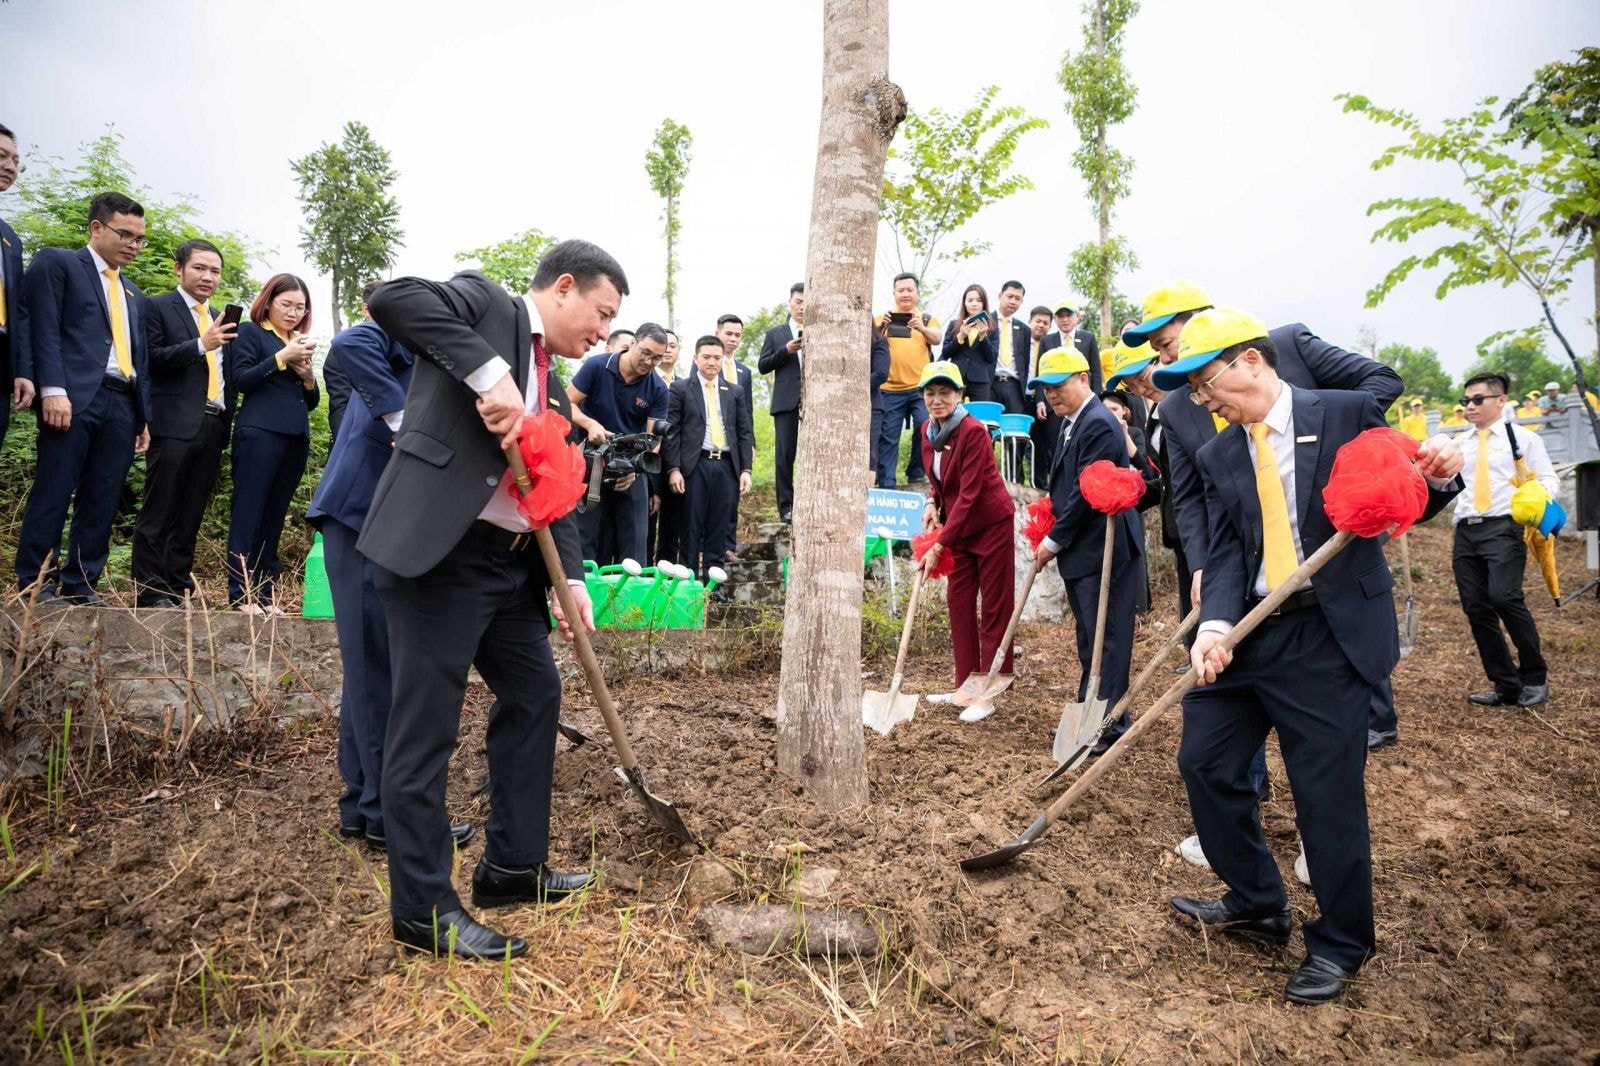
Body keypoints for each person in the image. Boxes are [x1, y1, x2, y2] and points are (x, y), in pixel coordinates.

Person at [1154, 307, 1462, 1006]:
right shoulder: (1220, 453)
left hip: (1326, 634)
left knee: (1326, 797)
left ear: (1251, 363)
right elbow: (1231, 549)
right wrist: (1214, 628)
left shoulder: (1347, 413)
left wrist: (1438, 474)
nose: (1203, 403)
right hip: (1251, 630)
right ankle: (1259, 902)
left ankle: (1342, 943)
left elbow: (1402, 490)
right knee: (1204, 762)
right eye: (1196, 394)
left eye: (1207, 386)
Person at [359, 240, 620, 960]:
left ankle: (512, 866)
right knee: (426, 727)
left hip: (508, 567)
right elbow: (393, 297)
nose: (602, 333)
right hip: (443, 557)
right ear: (563, 288)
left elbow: (552, 487)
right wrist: (488, 373)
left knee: (536, 692)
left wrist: (569, 580)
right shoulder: (486, 307)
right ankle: (422, 909)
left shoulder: (551, 382)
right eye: (600, 314)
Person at [304, 284, 451, 854]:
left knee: (371, 669)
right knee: (374, 670)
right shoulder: (400, 338)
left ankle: (363, 806)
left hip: (390, 522)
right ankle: (387, 816)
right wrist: (400, 421)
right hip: (361, 515)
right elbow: (349, 339)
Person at [14, 191, 152, 604]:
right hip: (73, 397)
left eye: (139, 238)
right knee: (54, 489)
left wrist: (142, 417)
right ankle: (36, 584)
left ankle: (82, 583)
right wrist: (53, 390)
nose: (133, 244)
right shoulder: (58, 263)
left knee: (103, 496)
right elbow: (42, 326)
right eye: (124, 234)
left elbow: (138, 358)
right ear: (96, 227)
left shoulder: (133, 292)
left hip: (122, 402)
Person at [1030, 348, 1143, 751]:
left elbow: (1085, 494)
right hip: (1084, 550)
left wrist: (1054, 537)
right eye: (1045, 389)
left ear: (1083, 378)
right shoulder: (1071, 423)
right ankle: (1094, 710)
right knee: (1090, 635)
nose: (1052, 396)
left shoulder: (1097, 423)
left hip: (1103, 548)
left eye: (1058, 386)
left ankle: (1107, 724)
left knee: (1107, 637)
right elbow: (1065, 486)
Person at [131, 238, 238, 608]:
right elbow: (150, 359)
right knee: (159, 508)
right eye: (200, 268)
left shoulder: (220, 318)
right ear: (179, 269)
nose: (208, 277)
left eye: (215, 271)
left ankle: (177, 588)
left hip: (213, 424)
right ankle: (150, 590)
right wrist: (199, 344)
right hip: (173, 422)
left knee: (191, 512)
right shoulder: (157, 306)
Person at [915, 361, 1015, 722]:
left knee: (994, 606)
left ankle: (987, 692)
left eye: (945, 393)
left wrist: (939, 544)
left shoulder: (972, 431)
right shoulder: (928, 430)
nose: (937, 400)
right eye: (931, 393)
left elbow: (971, 494)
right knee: (958, 601)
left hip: (989, 523)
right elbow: (941, 480)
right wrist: (930, 501)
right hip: (960, 526)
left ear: (960, 396)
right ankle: (964, 685)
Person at [1450, 372, 1557, 709]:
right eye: (1466, 400)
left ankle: (1534, 677)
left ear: (1500, 400)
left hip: (1504, 527)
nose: (1470, 406)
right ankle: (1505, 684)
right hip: (1466, 529)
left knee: (1505, 597)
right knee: (1476, 607)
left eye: (1477, 399)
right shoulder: (1460, 443)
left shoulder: (1522, 439)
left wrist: (1534, 494)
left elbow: (1549, 479)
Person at [225, 274, 318, 612]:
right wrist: (283, 357)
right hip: (259, 433)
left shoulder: (297, 341)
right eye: (287, 305)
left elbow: (311, 401)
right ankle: (241, 595)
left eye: (301, 307)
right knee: (249, 511)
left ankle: (265, 595)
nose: (294, 313)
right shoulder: (252, 333)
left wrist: (307, 376)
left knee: (274, 516)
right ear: (269, 301)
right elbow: (242, 380)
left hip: (295, 437)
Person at [567, 322, 669, 565]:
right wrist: (590, 424)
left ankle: (631, 602)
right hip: (591, 462)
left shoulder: (657, 387)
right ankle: (583, 597)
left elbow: (654, 437)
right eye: (645, 352)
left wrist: (636, 469)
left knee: (635, 544)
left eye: (656, 358)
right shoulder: (597, 366)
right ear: (633, 343)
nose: (649, 362)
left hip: (630, 467)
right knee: (585, 537)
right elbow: (565, 403)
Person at [667, 336, 753, 581]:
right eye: (706, 357)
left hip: (727, 466)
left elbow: (744, 432)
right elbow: (672, 432)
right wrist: (674, 469)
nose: (712, 362)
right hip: (695, 466)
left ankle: (714, 590)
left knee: (719, 528)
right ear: (695, 359)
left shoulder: (734, 392)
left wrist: (746, 469)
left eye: (717, 357)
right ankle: (688, 587)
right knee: (691, 528)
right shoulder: (681, 388)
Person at [874, 272, 942, 488]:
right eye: (900, 290)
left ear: (917, 293)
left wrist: (921, 328)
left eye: (909, 290)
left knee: (925, 426)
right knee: (888, 436)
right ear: (894, 293)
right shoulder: (881, 318)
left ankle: (916, 472)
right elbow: (867, 344)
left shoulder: (926, 319)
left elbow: (937, 338)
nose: (905, 294)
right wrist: (879, 329)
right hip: (888, 388)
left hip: (920, 389)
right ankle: (886, 484)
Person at [758, 282, 805, 522]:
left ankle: (808, 502)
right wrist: (786, 350)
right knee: (785, 456)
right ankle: (786, 507)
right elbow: (763, 365)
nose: (802, 307)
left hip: (815, 404)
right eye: (798, 302)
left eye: (807, 303)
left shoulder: (823, 330)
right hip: (786, 401)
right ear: (790, 303)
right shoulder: (776, 334)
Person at [321, 280, 385, 445]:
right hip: (355, 439)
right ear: (365, 309)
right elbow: (340, 401)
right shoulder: (343, 345)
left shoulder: (405, 345)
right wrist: (343, 443)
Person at [0, 122, 33, 442]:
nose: (10, 166)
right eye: (2, 156)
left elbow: (18, 311)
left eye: (15, 161)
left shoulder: (10, 239)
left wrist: (21, 369)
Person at [714, 314, 756, 558]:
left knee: (732, 495)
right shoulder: (706, 361)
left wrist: (750, 443)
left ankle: (728, 545)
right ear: (718, 332)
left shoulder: (744, 371)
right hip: (712, 438)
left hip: (736, 440)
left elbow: (747, 410)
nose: (732, 339)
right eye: (728, 333)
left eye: (737, 335)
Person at [941, 284, 997, 403]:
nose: (974, 304)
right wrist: (960, 336)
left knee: (979, 417)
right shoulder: (954, 325)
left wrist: (983, 337)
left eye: (978, 300)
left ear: (984, 303)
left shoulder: (992, 328)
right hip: (956, 378)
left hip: (980, 381)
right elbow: (945, 354)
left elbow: (991, 358)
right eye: (970, 300)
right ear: (964, 303)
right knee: (954, 416)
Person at [1025, 305, 1059, 488]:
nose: (1041, 326)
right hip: (1024, 398)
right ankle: (1023, 481)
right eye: (1038, 321)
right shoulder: (1022, 341)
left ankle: (1042, 483)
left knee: (1043, 442)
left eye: (1046, 323)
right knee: (1024, 443)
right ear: (1030, 321)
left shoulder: (1051, 344)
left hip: (1044, 400)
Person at [991, 280, 1031, 415]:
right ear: (1000, 296)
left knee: (1013, 430)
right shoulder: (985, 321)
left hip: (1014, 387)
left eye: (1017, 298)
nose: (1013, 301)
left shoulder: (1024, 329)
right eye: (1010, 296)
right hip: (990, 384)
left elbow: (1025, 362)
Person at [1051, 301, 1103, 393]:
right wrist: (1041, 401)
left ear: (1077, 316)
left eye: (1068, 315)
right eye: (1061, 316)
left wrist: (1097, 396)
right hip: (1056, 392)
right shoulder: (1047, 341)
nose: (1065, 319)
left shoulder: (1089, 338)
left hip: (1083, 391)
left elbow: (1096, 371)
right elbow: (1041, 373)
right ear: (1054, 318)